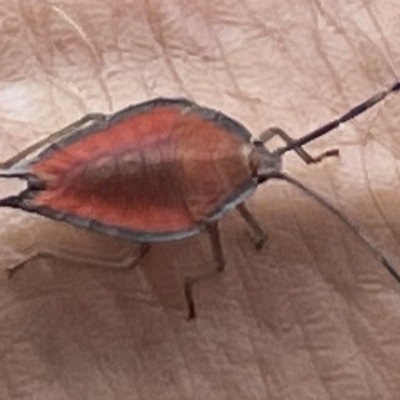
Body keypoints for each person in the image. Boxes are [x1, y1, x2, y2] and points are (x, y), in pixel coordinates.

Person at [0, 2, 399, 399]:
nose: (265, 160)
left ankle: (19, 176)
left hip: (137, 147)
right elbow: (217, 264)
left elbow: (211, 120)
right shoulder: (228, 198)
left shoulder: (223, 134)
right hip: (151, 187)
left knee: (93, 123)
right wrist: (214, 268)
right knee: (132, 258)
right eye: (259, 163)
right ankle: (32, 222)